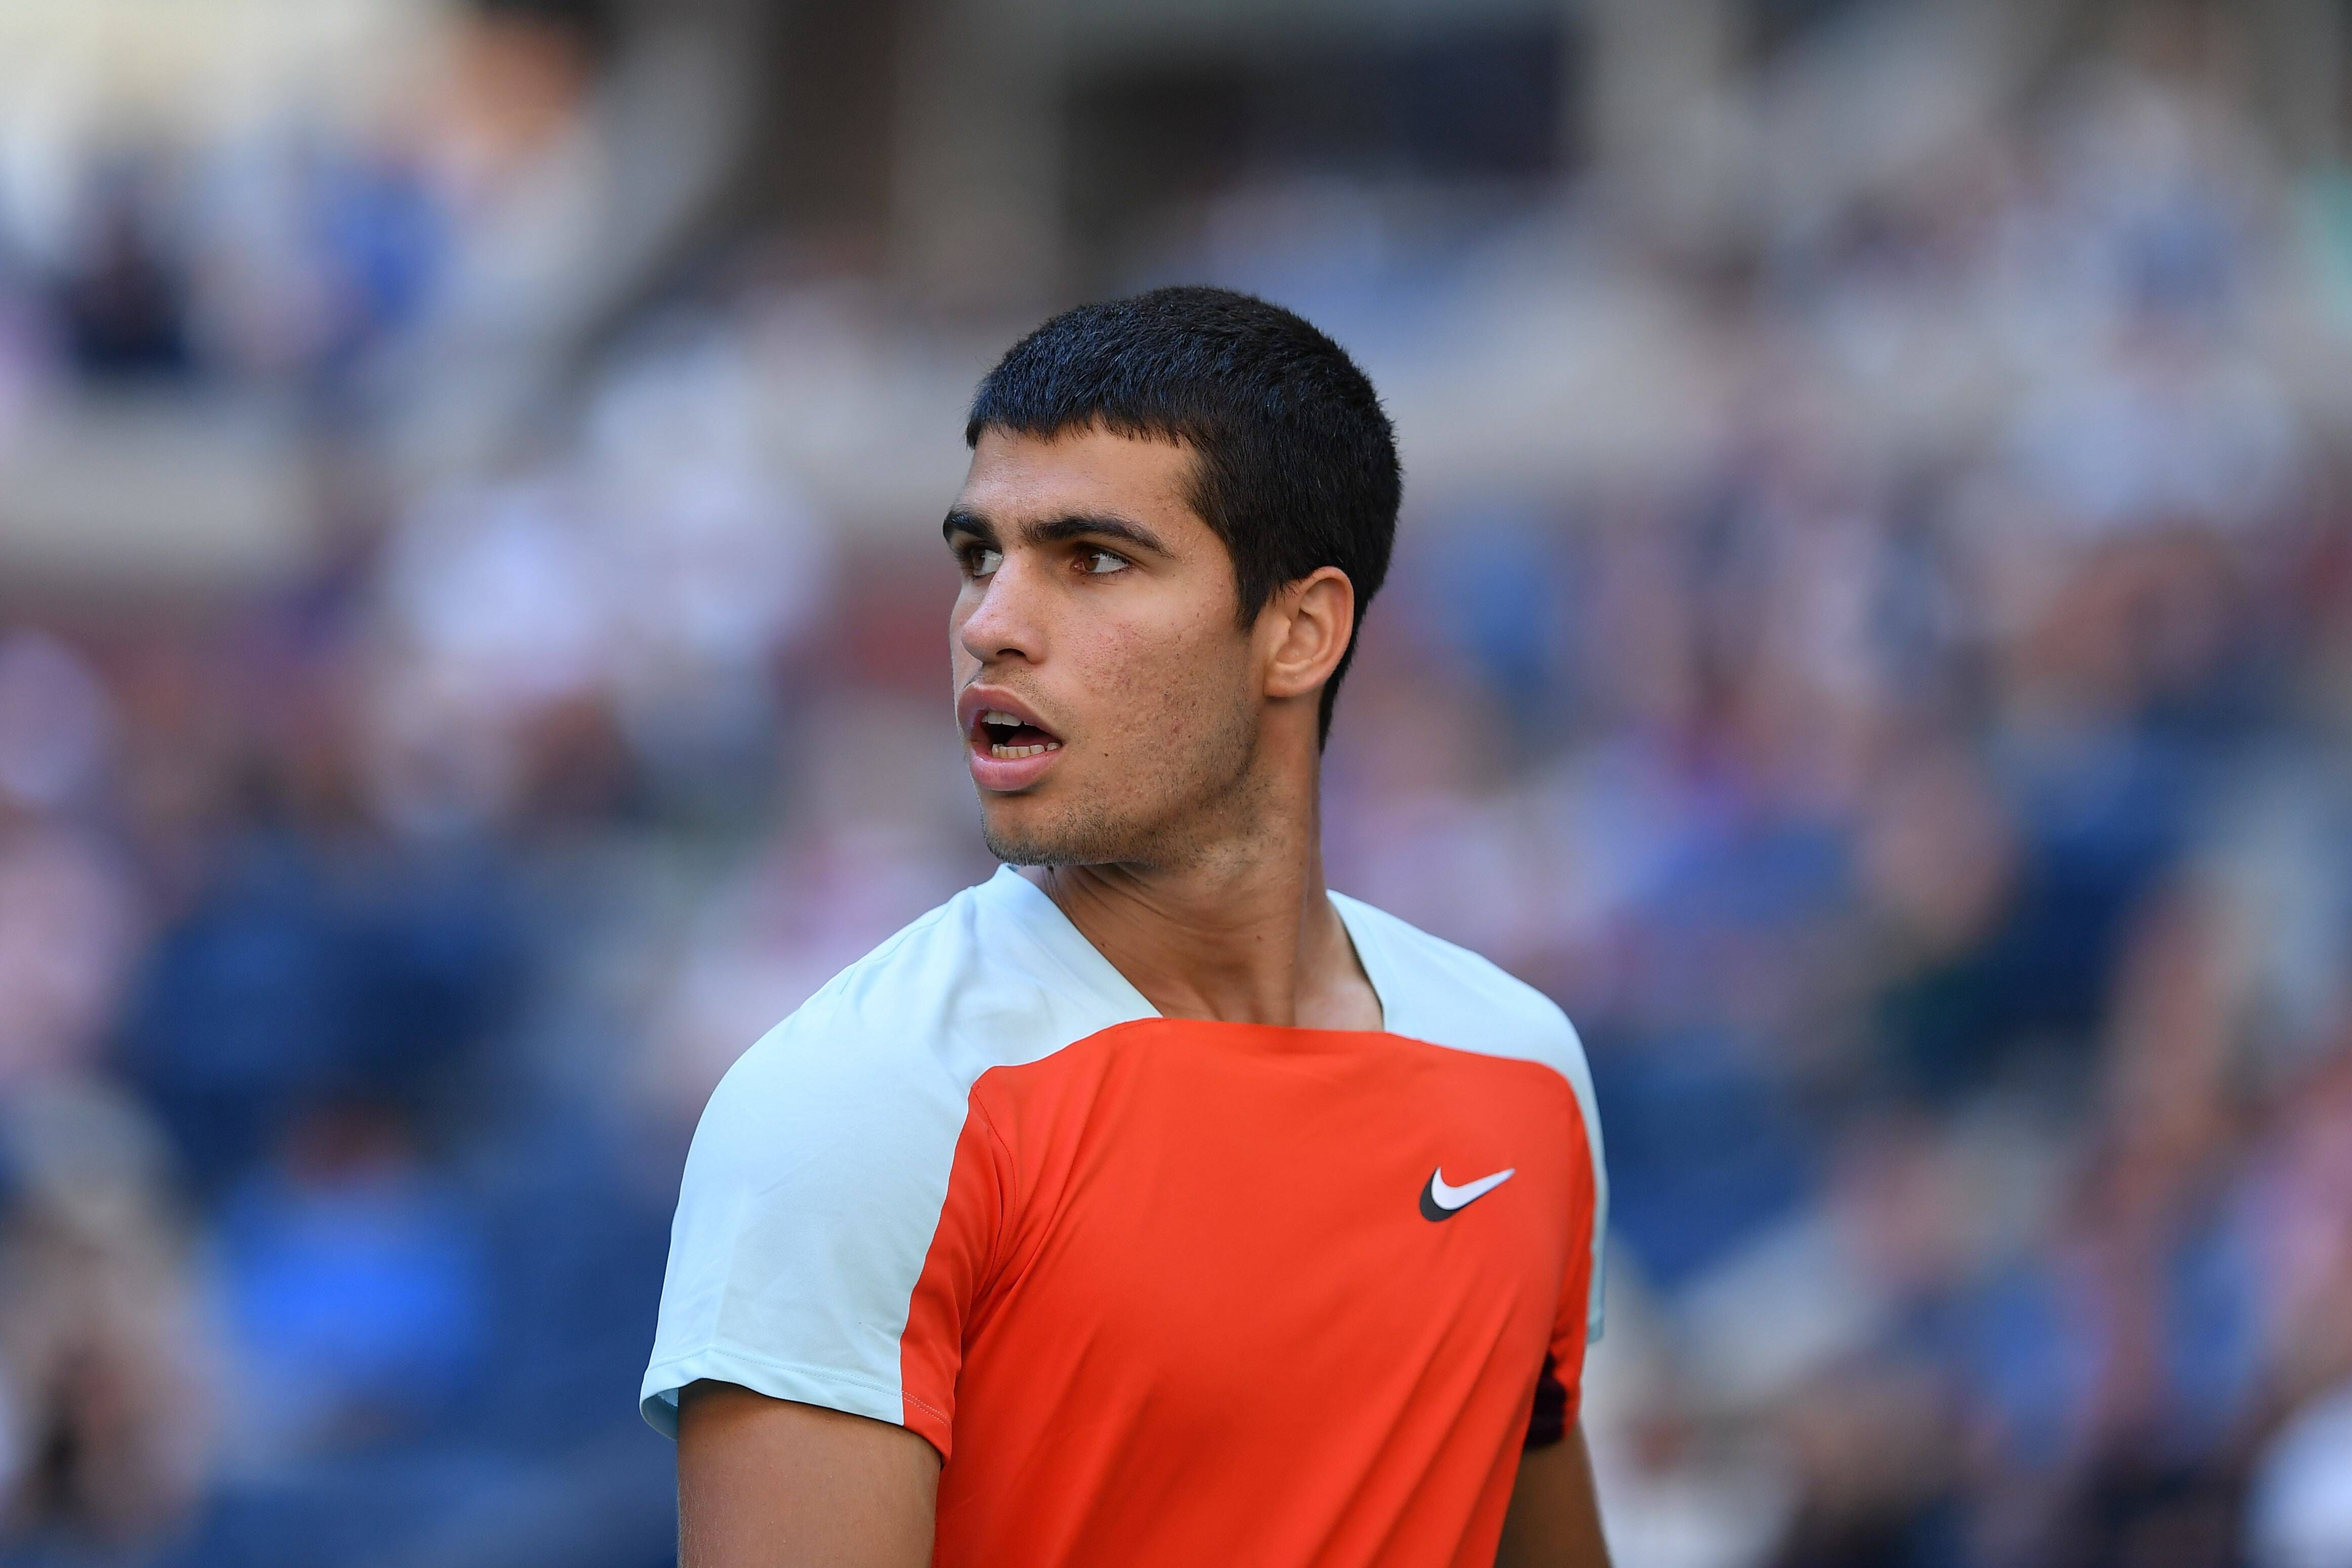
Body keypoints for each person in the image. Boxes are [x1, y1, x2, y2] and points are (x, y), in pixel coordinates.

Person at [641, 286, 1611, 1567]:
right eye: (979, 555)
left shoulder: (1522, 1068)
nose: (989, 622)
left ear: (1299, 630)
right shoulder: (846, 1107)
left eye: (1092, 558)